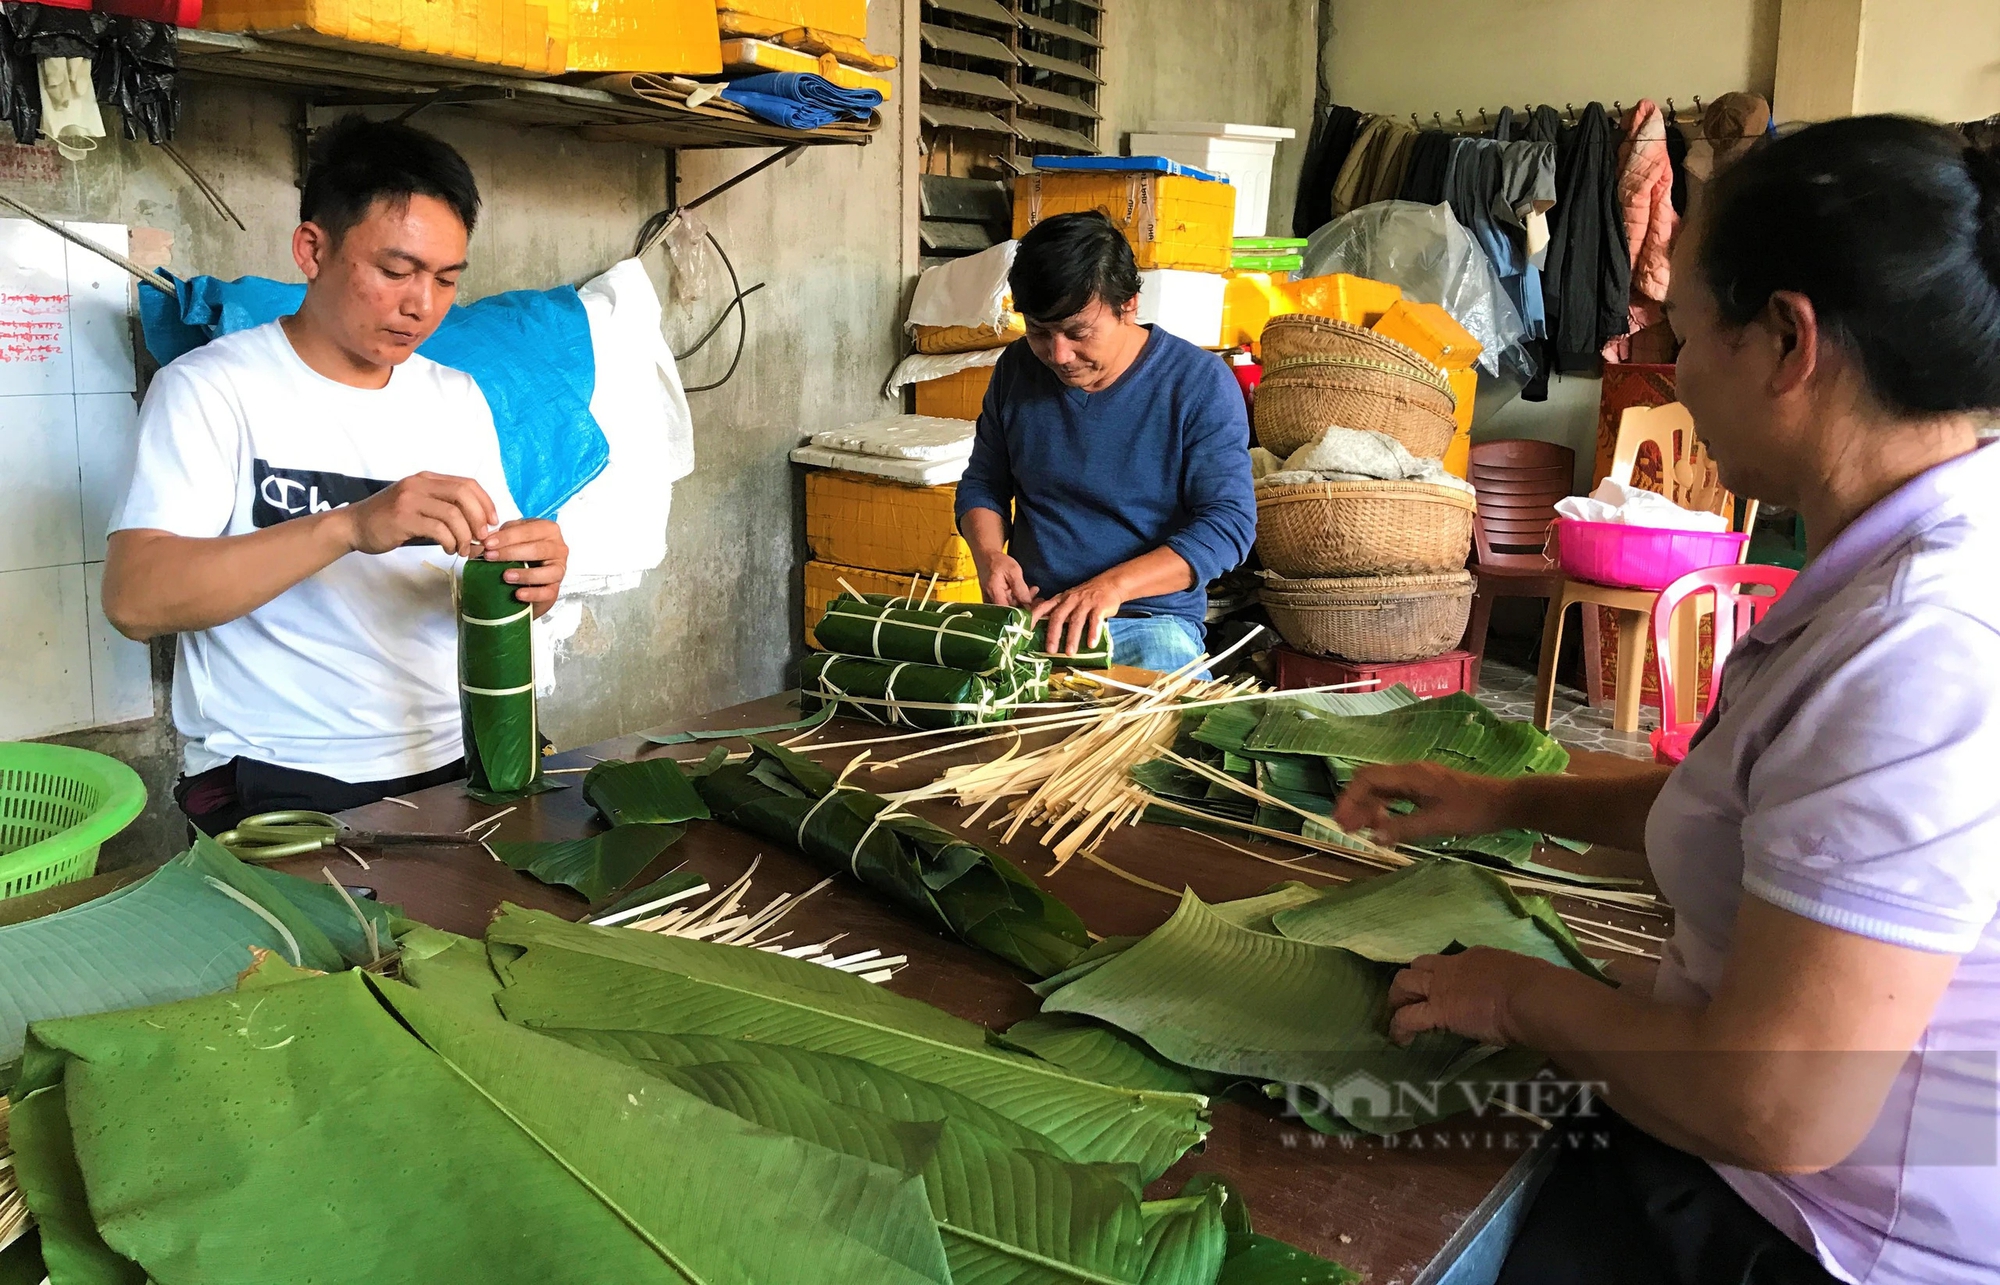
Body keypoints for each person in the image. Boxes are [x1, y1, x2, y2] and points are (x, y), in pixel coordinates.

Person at [1334, 116, 2000, 1285]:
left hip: (1805, 1235)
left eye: (1678, 330)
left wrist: (1518, 994)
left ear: (1786, 341)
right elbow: (1754, 811)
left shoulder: (1924, 650)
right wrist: (1498, 803)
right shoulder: (1906, 556)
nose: (1666, 364)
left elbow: (1775, 1103)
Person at [102, 116, 569, 833]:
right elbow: (136, 599)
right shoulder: (212, 389)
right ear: (311, 249)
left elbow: (492, 579)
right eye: (395, 271)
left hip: (459, 757)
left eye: (446, 280)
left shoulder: (456, 397)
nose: (422, 305)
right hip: (282, 777)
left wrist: (532, 576)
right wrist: (349, 526)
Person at [954, 211, 1257, 673]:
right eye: (1038, 331)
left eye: (1078, 333)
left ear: (1129, 305)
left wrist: (1111, 588)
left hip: (1147, 621)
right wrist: (990, 555)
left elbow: (1229, 526)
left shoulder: (1197, 383)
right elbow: (983, 484)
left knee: (1173, 724)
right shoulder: (1017, 368)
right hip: (1030, 618)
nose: (1059, 355)